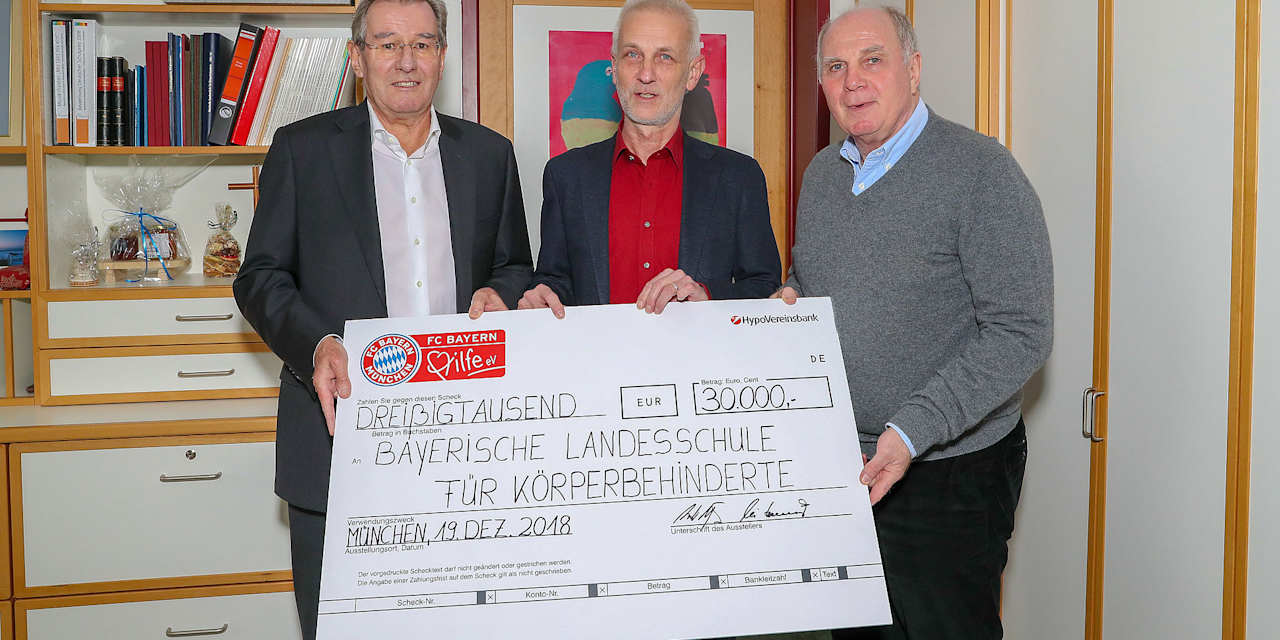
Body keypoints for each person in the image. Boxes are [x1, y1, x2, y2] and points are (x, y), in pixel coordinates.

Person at [232, 0, 532, 636]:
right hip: (338, 445)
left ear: (442, 57)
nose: (406, 62)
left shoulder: (489, 155)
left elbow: (513, 266)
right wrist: (317, 343)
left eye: (422, 44)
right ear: (357, 57)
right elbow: (259, 278)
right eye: (388, 44)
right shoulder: (301, 150)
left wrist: (500, 293)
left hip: (464, 454)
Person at [776, 7, 1053, 639]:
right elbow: (811, 279)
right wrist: (787, 302)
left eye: (872, 60)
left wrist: (910, 431)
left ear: (914, 68)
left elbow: (1021, 331)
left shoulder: (982, 172)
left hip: (949, 473)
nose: (853, 81)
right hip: (843, 465)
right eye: (836, 67)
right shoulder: (822, 175)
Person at [519, 0, 780, 317]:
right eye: (633, 55)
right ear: (615, 67)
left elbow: (764, 287)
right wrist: (542, 296)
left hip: (701, 351)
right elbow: (555, 280)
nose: (645, 74)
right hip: (597, 352)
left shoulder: (739, 177)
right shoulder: (565, 176)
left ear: (693, 73)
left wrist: (708, 298)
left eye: (665, 57)